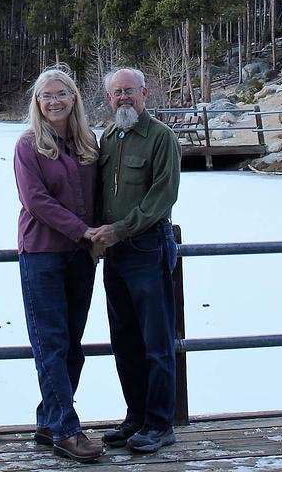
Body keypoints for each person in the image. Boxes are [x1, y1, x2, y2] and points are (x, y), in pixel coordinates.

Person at [88, 66, 182, 455]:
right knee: (124, 339)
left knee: (155, 341)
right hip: (115, 252)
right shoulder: (108, 137)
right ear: (108, 99)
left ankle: (159, 424)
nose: (124, 97)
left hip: (147, 247)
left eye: (130, 90)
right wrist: (97, 235)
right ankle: (136, 417)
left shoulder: (161, 137)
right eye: (117, 92)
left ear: (144, 93)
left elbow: (163, 196)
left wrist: (120, 229)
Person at [13, 65, 103, 463]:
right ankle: (67, 430)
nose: (54, 101)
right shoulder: (28, 146)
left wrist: (103, 233)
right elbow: (36, 201)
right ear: (37, 102)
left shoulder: (88, 143)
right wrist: (83, 231)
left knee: (71, 347)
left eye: (61, 94)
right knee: (50, 343)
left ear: (73, 99)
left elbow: (99, 195)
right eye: (46, 95)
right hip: (43, 254)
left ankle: (49, 422)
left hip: (81, 257)